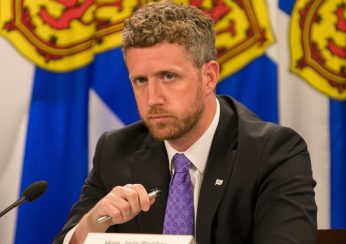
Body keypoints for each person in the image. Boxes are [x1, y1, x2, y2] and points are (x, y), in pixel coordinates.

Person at [54, 1, 317, 243]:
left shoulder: (274, 152)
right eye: (141, 81)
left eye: (168, 76)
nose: (153, 98)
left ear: (209, 77)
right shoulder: (116, 150)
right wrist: (93, 222)